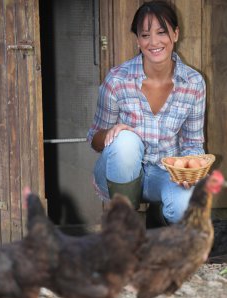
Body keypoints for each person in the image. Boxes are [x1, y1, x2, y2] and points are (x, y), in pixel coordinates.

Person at [87, 0, 206, 225]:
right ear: (137, 40)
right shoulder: (117, 79)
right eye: (145, 35)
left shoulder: (194, 82)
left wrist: (190, 170)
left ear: (176, 34)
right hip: (119, 175)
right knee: (125, 141)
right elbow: (94, 139)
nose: (154, 42)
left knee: (188, 205)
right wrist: (113, 132)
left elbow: (193, 143)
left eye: (162, 32)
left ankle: (159, 215)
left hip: (165, 174)